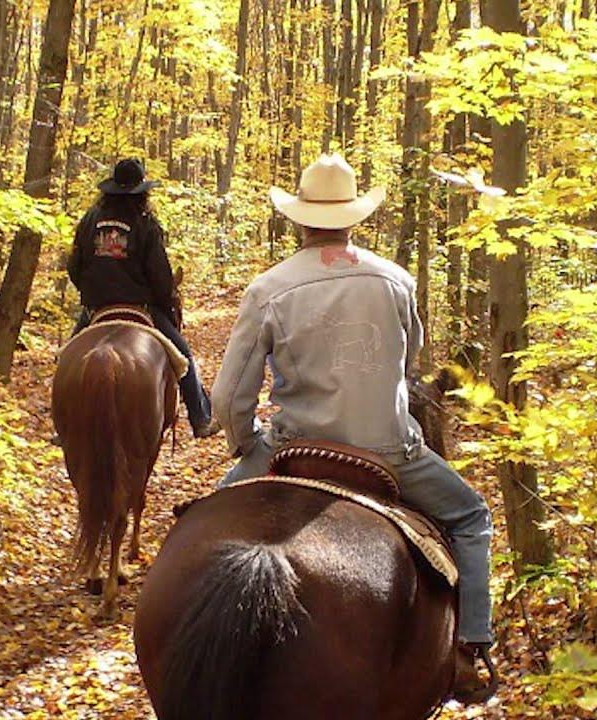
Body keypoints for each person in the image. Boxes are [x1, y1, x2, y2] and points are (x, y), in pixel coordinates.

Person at [210, 154, 495, 700]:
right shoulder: (396, 281)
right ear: (353, 218)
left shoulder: (270, 287)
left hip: (294, 445)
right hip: (387, 451)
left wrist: (247, 444)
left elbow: (228, 397)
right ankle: (470, 648)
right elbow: (407, 364)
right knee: (471, 517)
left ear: (299, 219)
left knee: (202, 519)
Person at [66, 158, 221, 439]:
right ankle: (200, 418)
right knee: (183, 356)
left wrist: (91, 295)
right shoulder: (146, 223)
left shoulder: (89, 220)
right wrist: (165, 300)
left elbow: (74, 268)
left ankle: (62, 424)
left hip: (96, 310)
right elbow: (160, 276)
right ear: (141, 192)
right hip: (141, 307)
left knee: (66, 360)